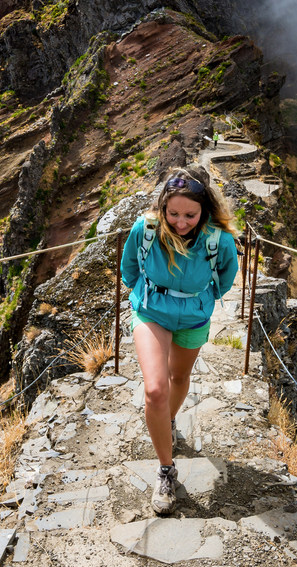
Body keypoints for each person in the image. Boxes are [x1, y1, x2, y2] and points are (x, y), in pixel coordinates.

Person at [119, 165, 239, 515]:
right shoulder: (147, 229)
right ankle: (166, 470)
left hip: (192, 316)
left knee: (179, 378)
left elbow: (227, 277)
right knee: (155, 389)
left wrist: (197, 298)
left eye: (190, 214)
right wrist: (145, 296)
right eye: (173, 213)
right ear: (163, 207)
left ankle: (167, 421)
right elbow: (129, 266)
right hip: (151, 311)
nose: (180, 222)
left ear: (204, 210)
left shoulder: (219, 240)